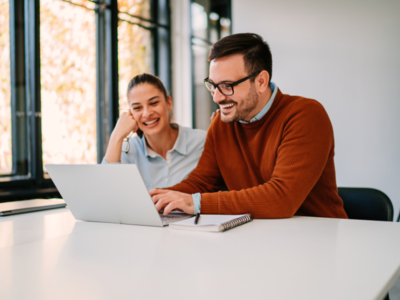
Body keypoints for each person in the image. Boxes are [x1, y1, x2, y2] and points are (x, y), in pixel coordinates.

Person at [150, 33, 348, 219]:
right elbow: (202, 183)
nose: (217, 97)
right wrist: (156, 200)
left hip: (320, 241)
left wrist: (195, 203)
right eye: (213, 85)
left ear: (261, 81)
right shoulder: (221, 123)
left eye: (227, 86)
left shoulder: (305, 115)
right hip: (258, 239)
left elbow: (281, 198)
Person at [102, 73, 206, 190]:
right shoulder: (128, 150)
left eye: (154, 103)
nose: (147, 113)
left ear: (168, 103)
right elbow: (106, 192)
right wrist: (116, 136)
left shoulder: (202, 142)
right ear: (131, 113)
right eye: (137, 108)